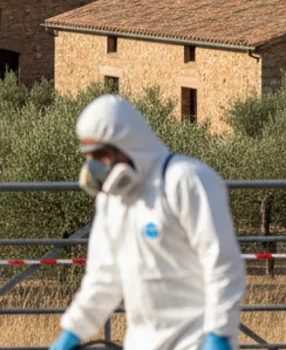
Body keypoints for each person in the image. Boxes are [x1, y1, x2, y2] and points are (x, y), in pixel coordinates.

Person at [49, 95, 246, 350]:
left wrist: (219, 335)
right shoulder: (111, 200)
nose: (94, 165)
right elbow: (103, 277)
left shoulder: (186, 180)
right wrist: (71, 332)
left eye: (100, 154)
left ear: (126, 144)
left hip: (195, 340)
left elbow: (222, 262)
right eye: (89, 155)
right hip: (141, 342)